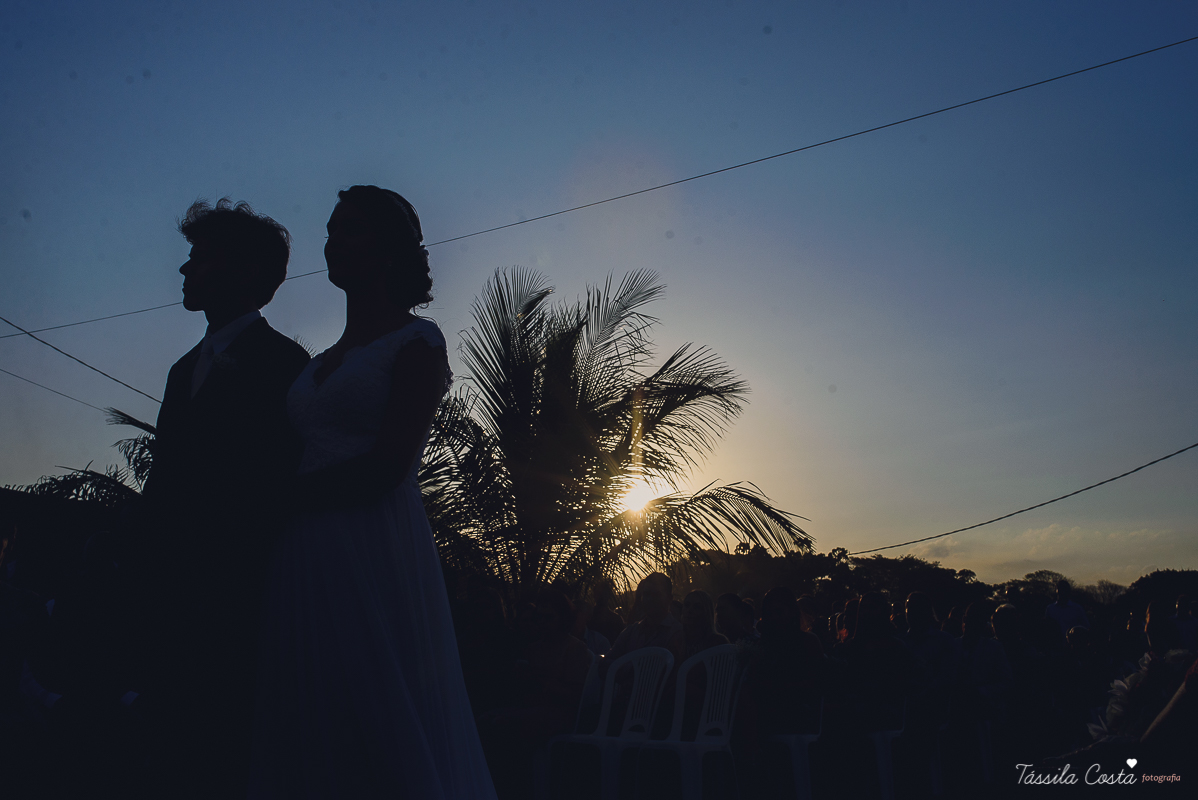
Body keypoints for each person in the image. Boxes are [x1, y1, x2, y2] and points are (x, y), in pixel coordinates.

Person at [249, 186, 495, 799]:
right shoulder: (320, 359)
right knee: (311, 700)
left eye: (351, 229)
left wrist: (281, 500)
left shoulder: (417, 342)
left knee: (378, 696)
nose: (333, 241)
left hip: (371, 537)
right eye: (331, 229)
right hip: (303, 546)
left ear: (388, 249)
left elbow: (390, 463)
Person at [136, 198, 310, 798]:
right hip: (169, 594)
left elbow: (272, 485)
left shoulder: (284, 364)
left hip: (233, 599)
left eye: (198, 259)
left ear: (239, 272)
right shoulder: (183, 369)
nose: (185, 271)